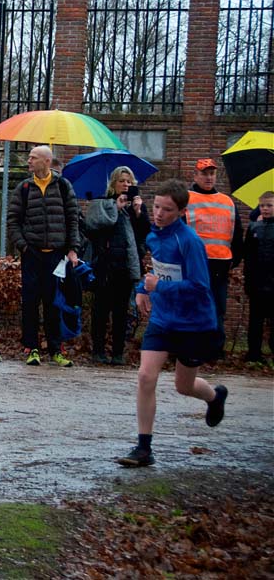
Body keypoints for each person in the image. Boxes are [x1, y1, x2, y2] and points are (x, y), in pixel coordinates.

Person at [118, 179, 228, 468]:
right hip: (163, 319)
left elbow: (200, 287)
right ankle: (144, 448)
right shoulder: (154, 236)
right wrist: (143, 289)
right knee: (145, 377)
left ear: (181, 212)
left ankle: (214, 396)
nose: (159, 213)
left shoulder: (189, 241)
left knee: (183, 385)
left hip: (193, 323)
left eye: (167, 209)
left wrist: (158, 287)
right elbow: (158, 272)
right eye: (156, 206)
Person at [7, 145, 80, 367]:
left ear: (47, 161)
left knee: (54, 303)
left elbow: (72, 218)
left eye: (33, 157)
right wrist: (23, 246)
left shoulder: (63, 186)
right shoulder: (24, 188)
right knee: (30, 303)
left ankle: (56, 349)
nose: (29, 161)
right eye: (29, 157)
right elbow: (12, 220)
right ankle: (31, 348)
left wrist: (72, 248)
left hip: (56, 255)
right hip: (32, 254)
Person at [84, 167, 149, 366]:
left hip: (125, 266)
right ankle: (98, 351)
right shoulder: (104, 203)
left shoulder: (136, 207)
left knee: (121, 312)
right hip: (105, 265)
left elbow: (145, 233)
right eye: (122, 181)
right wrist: (115, 208)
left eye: (129, 181)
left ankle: (118, 353)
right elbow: (93, 227)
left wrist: (138, 212)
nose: (126, 185)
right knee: (101, 310)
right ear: (114, 183)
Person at [184, 158, 243, 356]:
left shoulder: (227, 201)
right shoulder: (186, 199)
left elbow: (237, 233)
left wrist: (235, 259)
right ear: (195, 175)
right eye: (204, 173)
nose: (209, 177)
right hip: (195, 264)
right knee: (194, 306)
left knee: (217, 308)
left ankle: (214, 351)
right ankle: (192, 349)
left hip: (220, 264)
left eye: (212, 173)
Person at [243, 191, 274, 365]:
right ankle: (254, 354)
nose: (265, 208)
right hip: (257, 283)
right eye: (262, 205)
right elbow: (248, 255)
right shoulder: (254, 227)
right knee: (255, 321)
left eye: (269, 205)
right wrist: (248, 280)